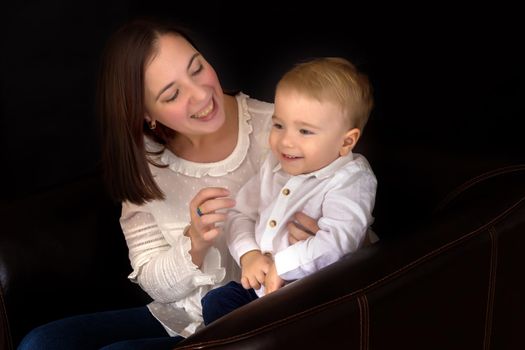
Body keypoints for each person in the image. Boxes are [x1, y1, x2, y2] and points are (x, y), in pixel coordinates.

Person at [17, 17, 319, 350]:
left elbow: (350, 221)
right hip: (183, 317)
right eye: (173, 94)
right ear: (146, 114)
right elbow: (155, 283)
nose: (201, 94)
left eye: (197, 68)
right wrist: (195, 241)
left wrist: (312, 231)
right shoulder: (146, 162)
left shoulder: (280, 132)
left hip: (256, 317)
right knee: (42, 342)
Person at [201, 57, 377, 325]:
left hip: (314, 293)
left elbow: (340, 241)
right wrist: (249, 254)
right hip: (262, 288)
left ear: (345, 142)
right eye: (279, 125)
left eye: (305, 131)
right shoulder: (274, 165)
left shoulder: (350, 179)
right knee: (216, 302)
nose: (286, 141)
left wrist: (282, 266)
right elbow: (239, 213)